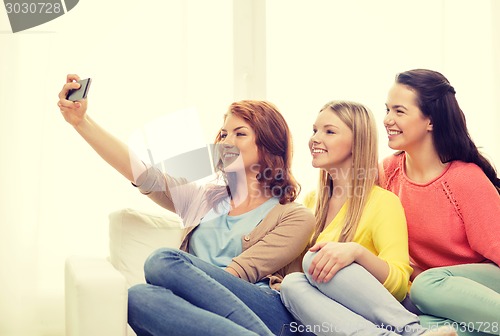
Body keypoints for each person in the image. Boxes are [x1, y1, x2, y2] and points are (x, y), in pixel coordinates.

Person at [57, 74, 315, 336]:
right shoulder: (201, 200)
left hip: (263, 310)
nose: (225, 142)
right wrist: (82, 123)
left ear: (270, 144)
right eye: (223, 134)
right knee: (138, 297)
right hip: (214, 316)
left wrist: (182, 291)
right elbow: (141, 172)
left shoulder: (294, 216)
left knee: (162, 261)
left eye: (240, 134)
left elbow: (238, 274)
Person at [280, 101, 455, 335]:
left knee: (314, 260)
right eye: (315, 130)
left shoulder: (382, 202)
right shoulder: (311, 202)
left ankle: (415, 331)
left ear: (357, 143)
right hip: (345, 318)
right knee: (291, 284)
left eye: (329, 131)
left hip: (390, 309)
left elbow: (400, 285)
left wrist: (356, 253)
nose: (315, 138)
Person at [380, 69, 500, 336]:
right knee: (418, 327)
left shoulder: (464, 178)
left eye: (399, 111)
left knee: (426, 284)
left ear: (431, 121)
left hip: (485, 285)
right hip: (437, 300)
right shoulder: (387, 173)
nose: (387, 120)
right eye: (387, 109)